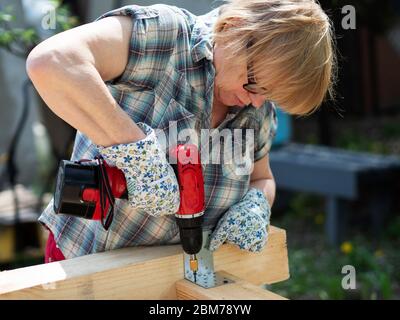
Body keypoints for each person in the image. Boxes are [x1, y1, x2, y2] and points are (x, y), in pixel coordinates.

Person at [26, 0, 336, 262]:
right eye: (254, 83)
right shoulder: (165, 36)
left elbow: (262, 177)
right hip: (92, 264)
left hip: (183, 275)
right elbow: (52, 61)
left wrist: (256, 205)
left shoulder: (257, 107)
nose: (256, 101)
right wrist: (135, 152)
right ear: (235, 29)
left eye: (269, 94)